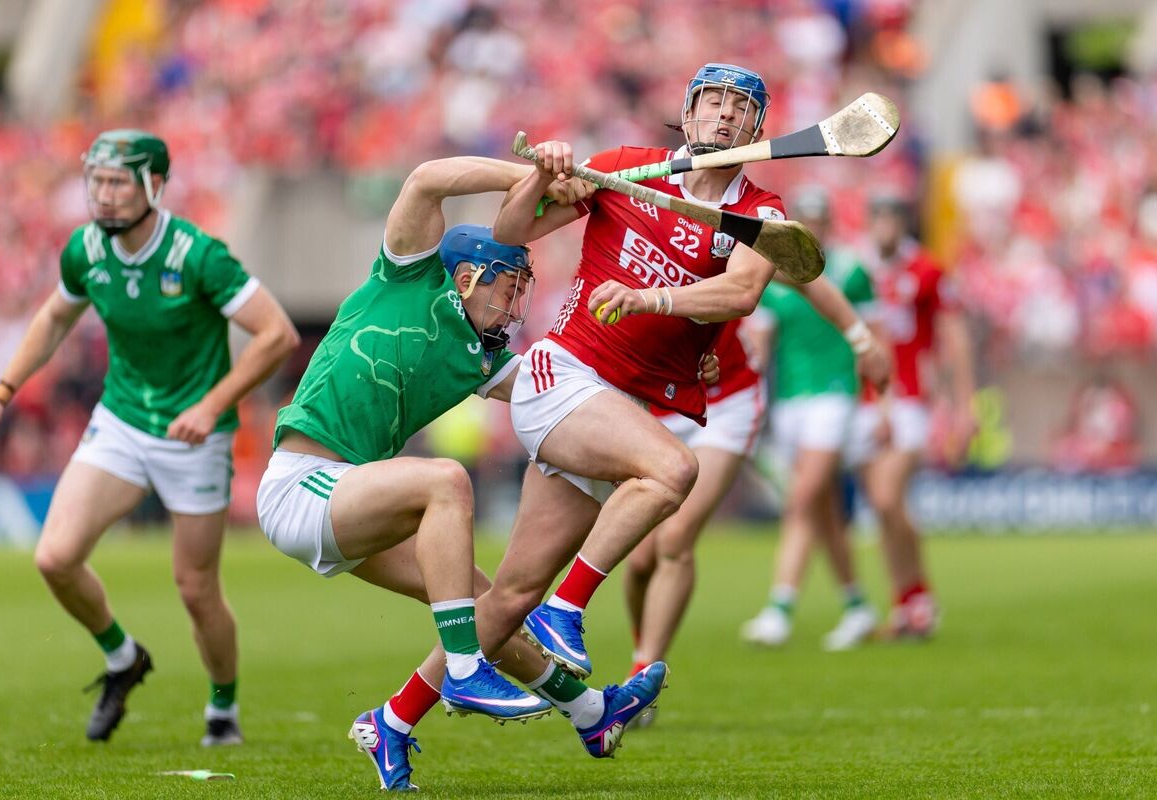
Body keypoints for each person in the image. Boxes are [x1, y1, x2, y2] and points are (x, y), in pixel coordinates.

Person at [256, 154, 669, 792]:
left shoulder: (484, 359)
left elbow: (566, 398)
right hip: (301, 484)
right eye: (510, 289)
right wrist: (529, 179)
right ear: (470, 275)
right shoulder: (407, 275)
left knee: (486, 607)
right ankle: (465, 669)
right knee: (445, 480)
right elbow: (426, 179)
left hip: (353, 495)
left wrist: (675, 369)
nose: (516, 307)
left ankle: (586, 712)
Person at [484, 64, 888, 688]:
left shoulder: (760, 212)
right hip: (568, 373)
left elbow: (742, 292)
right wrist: (543, 175)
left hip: (647, 401)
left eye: (740, 106)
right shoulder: (625, 166)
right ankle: (567, 615)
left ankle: (404, 712)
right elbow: (509, 232)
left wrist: (653, 300)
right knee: (672, 475)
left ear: (758, 128)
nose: (725, 114)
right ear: (688, 111)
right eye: (714, 101)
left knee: (515, 591)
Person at [0, 129, 300, 745]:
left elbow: (277, 334)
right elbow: (54, 317)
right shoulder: (86, 248)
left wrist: (211, 405)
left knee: (196, 589)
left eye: (118, 182)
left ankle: (223, 709)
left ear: (154, 185)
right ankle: (122, 657)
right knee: (55, 557)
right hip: (121, 421)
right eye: (97, 181)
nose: (104, 194)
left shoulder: (198, 254)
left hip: (194, 438)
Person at [624, 187, 890, 698]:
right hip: (659, 405)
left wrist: (862, 342)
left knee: (677, 539)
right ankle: (645, 647)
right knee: (639, 561)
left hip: (729, 403)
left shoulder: (729, 244)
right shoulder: (634, 247)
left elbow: (808, 282)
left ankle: (642, 676)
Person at [738, 186, 882, 651]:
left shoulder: (850, 270)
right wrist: (748, 397)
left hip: (835, 395)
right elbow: (761, 346)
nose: (813, 227)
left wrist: (882, 403)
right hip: (790, 400)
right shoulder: (773, 275)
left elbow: (874, 335)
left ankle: (780, 607)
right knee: (823, 508)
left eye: (819, 219)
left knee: (801, 498)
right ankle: (857, 605)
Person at [850, 192, 976, 637]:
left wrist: (964, 405)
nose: (884, 227)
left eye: (892, 218)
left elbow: (954, 339)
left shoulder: (926, 270)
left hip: (908, 398)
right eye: (878, 218)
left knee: (887, 496)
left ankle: (919, 595)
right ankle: (908, 602)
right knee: (885, 508)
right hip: (862, 400)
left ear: (903, 224)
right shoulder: (855, 268)